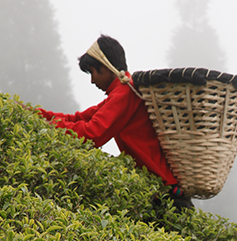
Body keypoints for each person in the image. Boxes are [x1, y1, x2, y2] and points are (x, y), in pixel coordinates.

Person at [38, 35, 193, 211]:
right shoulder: (121, 91)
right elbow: (80, 119)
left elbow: (92, 134)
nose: (92, 80)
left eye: (92, 72)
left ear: (104, 67)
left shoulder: (125, 92)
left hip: (167, 196)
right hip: (163, 191)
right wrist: (37, 115)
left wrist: (47, 126)